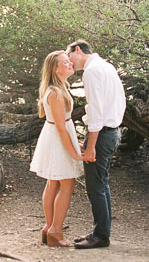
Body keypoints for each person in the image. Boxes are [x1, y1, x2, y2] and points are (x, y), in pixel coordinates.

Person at [66, 39, 126, 249]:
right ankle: (100, 231)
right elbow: (118, 102)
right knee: (102, 184)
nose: (70, 63)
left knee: (95, 186)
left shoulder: (91, 72)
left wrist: (90, 146)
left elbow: (96, 113)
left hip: (103, 133)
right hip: (111, 131)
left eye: (70, 57)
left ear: (78, 50)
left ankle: (100, 237)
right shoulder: (106, 66)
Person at [29, 50, 86, 247]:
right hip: (57, 140)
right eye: (65, 62)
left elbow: (64, 126)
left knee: (53, 183)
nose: (70, 63)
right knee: (66, 184)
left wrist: (75, 143)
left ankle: (49, 228)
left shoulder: (59, 88)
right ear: (55, 68)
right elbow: (62, 128)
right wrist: (73, 153)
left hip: (56, 137)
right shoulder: (55, 93)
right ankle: (55, 231)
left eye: (69, 61)